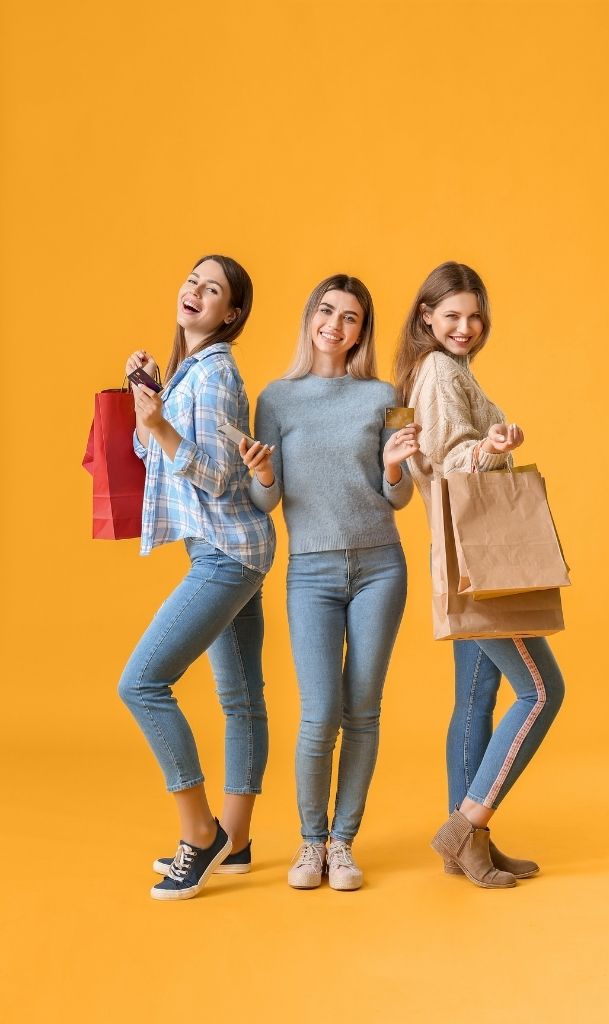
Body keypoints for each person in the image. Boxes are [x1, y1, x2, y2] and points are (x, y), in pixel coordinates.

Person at [241, 274, 418, 890]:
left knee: (361, 711)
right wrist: (262, 473)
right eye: (327, 311)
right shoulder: (276, 398)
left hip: (380, 567)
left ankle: (343, 844)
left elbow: (399, 496)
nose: (335, 326)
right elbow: (267, 499)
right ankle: (310, 842)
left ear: (361, 331)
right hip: (311, 570)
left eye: (351, 318)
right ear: (310, 317)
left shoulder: (381, 395)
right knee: (319, 714)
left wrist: (395, 467)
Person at [394, 261, 565, 889]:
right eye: (451, 316)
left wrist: (496, 440)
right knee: (542, 692)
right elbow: (441, 460)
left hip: (462, 556)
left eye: (474, 316)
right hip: (478, 563)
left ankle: (470, 847)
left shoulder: (451, 369)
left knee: (475, 698)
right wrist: (489, 449)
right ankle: (466, 824)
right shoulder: (439, 371)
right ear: (426, 318)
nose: (465, 326)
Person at [118, 254, 275, 901]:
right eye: (193, 280)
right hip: (231, 548)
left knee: (143, 683)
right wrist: (146, 403)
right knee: (239, 700)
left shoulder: (215, 377)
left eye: (213, 290)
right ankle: (234, 844)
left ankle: (201, 834)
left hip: (225, 553)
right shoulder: (190, 372)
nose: (196, 292)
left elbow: (218, 476)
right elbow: (148, 452)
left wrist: (158, 422)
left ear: (230, 313)